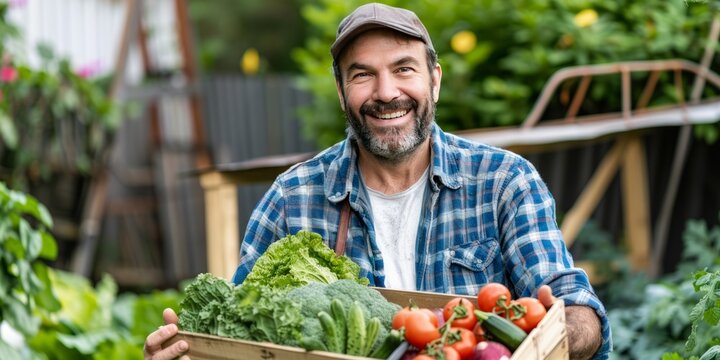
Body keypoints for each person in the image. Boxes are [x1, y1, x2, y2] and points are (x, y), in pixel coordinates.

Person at [144, 3, 611, 359]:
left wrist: (557, 332)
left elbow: (579, 308)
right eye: (363, 75)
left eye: (403, 69)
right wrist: (192, 350)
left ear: (435, 79)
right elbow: (238, 326)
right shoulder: (291, 199)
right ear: (342, 91)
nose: (386, 93)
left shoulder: (504, 181)